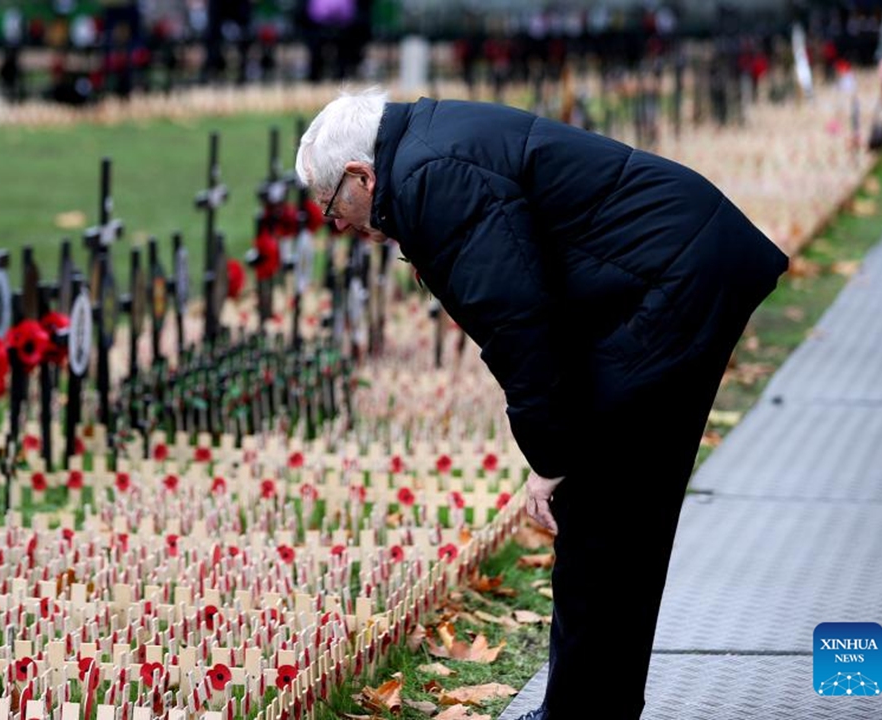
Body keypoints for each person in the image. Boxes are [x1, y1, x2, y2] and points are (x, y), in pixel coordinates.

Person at [296, 88, 788, 720]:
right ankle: (590, 709)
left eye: (333, 206)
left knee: (601, 508)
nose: (336, 225)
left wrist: (551, 457)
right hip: (676, 269)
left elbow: (519, 325)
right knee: (618, 513)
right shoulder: (424, 151)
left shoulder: (428, 181)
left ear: (362, 174)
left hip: (671, 280)